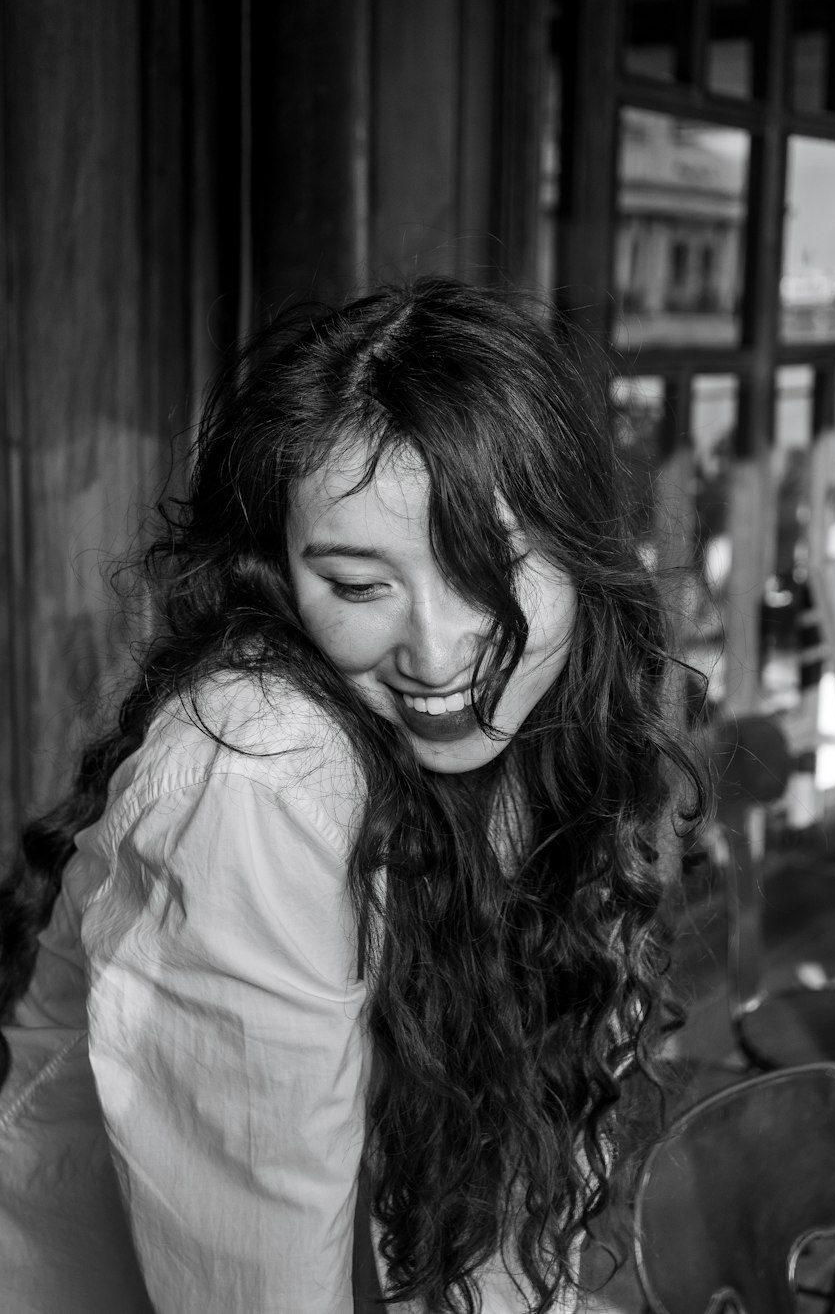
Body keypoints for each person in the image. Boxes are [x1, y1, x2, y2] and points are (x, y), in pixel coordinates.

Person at [0, 277, 703, 1314]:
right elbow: (261, 1283)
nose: (439, 651)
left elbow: (504, 1204)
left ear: (580, 546)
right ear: (278, 573)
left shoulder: (556, 734)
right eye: (360, 585)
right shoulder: (256, 778)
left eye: (491, 567)